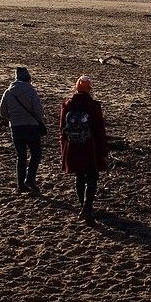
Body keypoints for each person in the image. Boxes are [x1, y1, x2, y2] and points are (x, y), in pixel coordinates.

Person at [60, 75, 108, 223]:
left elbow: (62, 130)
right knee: (92, 177)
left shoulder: (67, 104)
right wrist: (103, 150)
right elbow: (100, 130)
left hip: (73, 146)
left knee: (79, 176)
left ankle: (83, 206)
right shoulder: (93, 106)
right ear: (89, 89)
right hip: (90, 146)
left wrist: (63, 149)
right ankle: (87, 207)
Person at [0, 66, 45, 193]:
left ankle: (21, 184)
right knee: (36, 154)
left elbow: (2, 112)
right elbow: (39, 111)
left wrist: (13, 118)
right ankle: (30, 179)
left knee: (21, 156)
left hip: (16, 128)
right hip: (31, 127)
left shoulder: (8, 92)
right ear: (28, 78)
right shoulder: (31, 91)